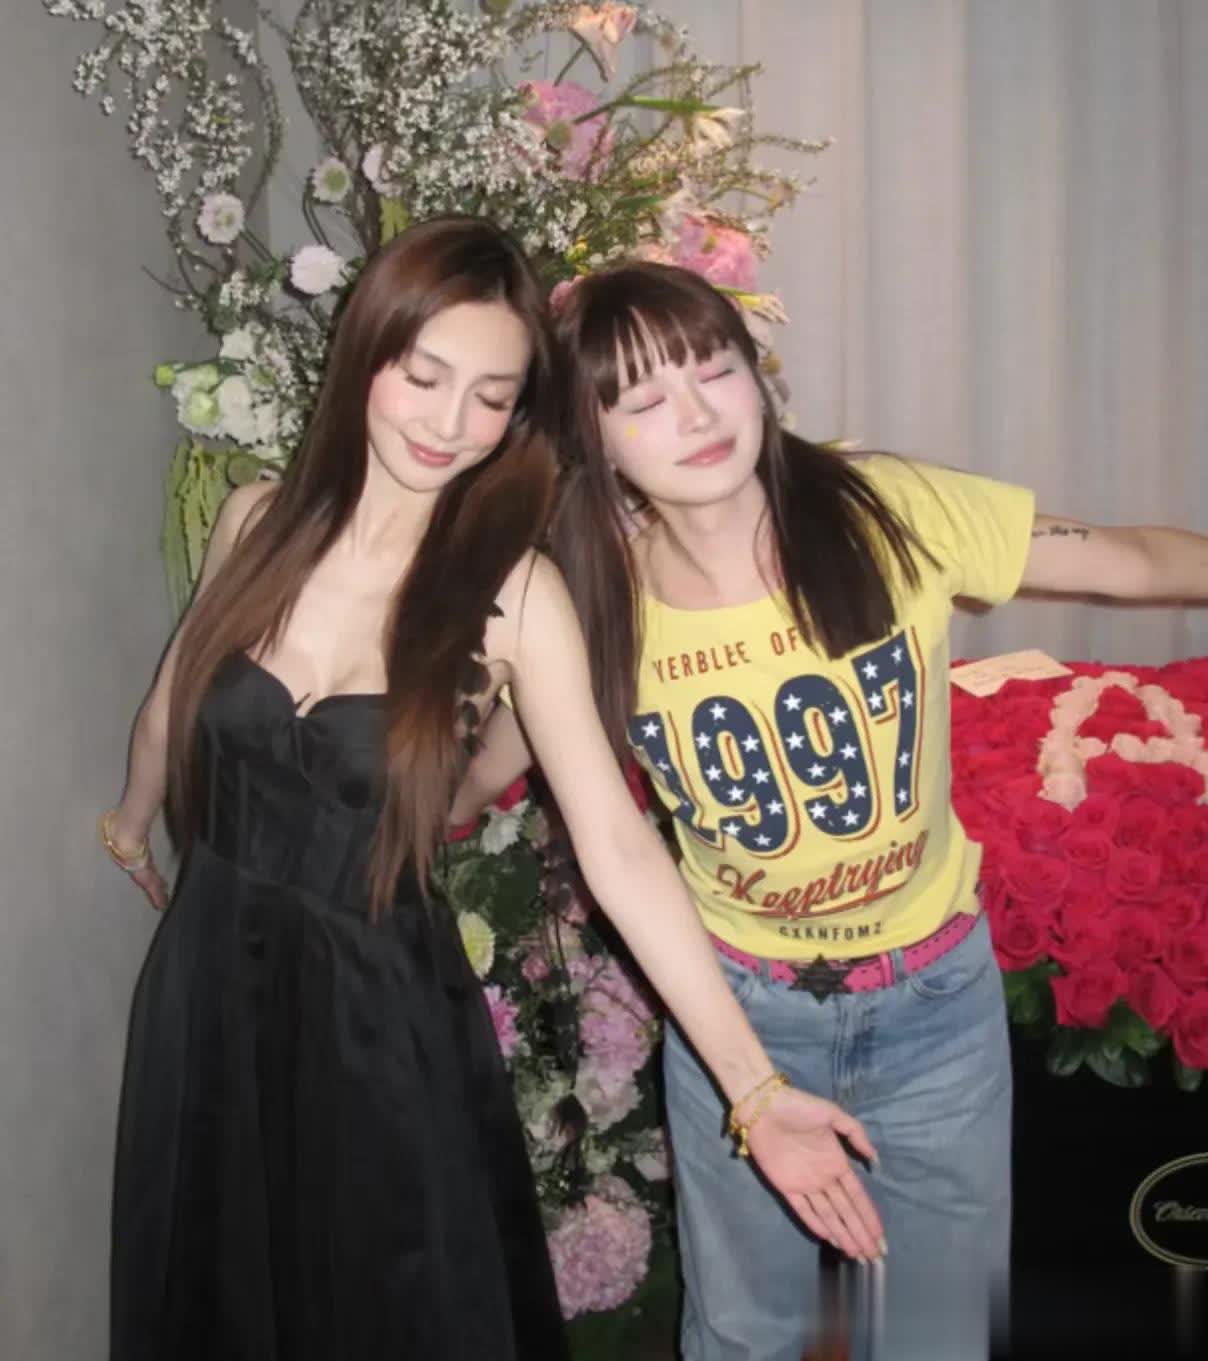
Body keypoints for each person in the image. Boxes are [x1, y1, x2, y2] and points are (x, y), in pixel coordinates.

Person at [99, 221, 887, 1361]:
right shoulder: (255, 520)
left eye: (489, 397)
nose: (447, 422)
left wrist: (754, 1091)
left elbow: (619, 849)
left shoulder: (515, 597)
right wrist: (130, 828)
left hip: (378, 1016)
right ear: (365, 357)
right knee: (221, 1289)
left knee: (391, 1306)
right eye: (423, 377)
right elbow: (171, 708)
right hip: (209, 985)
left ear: (518, 416)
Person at [451, 260, 1208, 1361]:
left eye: (713, 368)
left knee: (938, 1332)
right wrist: (429, 803)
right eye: (643, 398)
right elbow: (497, 757)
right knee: (744, 1334)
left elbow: (1124, 559)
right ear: (593, 436)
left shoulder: (886, 508)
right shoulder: (594, 597)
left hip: (935, 1003)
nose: (697, 413)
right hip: (739, 1011)